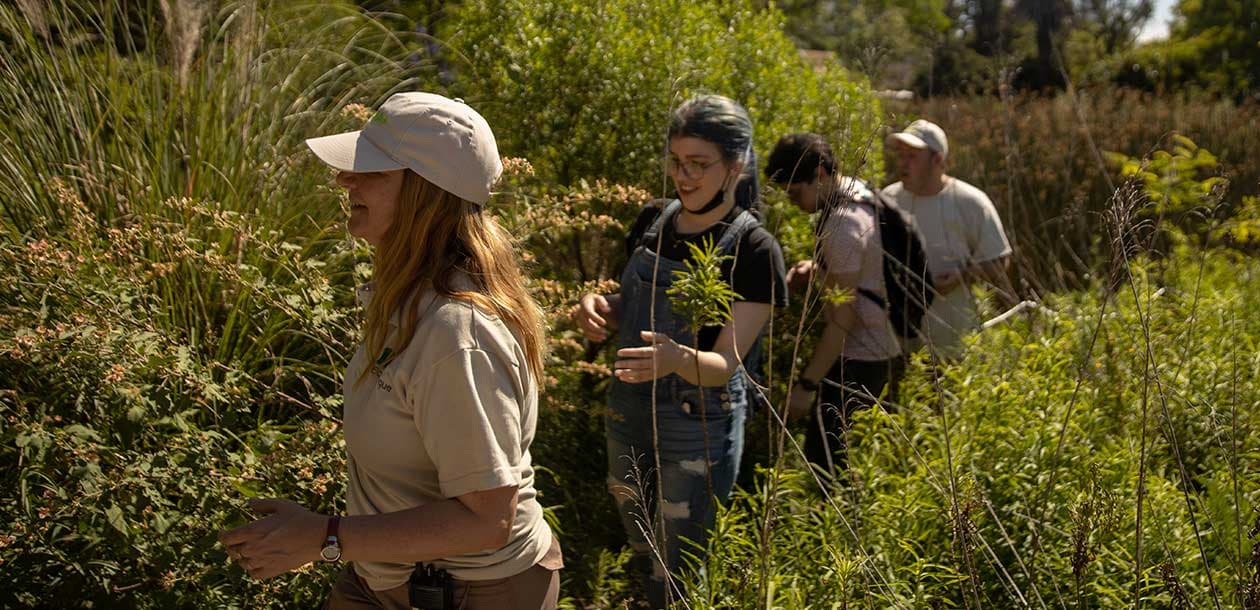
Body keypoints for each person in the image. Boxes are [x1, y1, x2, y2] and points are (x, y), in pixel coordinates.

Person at [218, 92, 563, 609]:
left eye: (371, 171)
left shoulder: (456, 334)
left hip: (469, 593)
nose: (344, 181)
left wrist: (324, 537)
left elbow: (489, 519)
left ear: (427, 193)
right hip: (388, 577)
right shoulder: (405, 299)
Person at [573, 95, 787, 608]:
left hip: (697, 423)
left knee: (680, 566)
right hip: (626, 412)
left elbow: (722, 367)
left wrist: (676, 359)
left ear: (735, 165)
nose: (683, 176)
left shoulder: (755, 250)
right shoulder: (655, 219)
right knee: (641, 543)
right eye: (675, 161)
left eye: (698, 164)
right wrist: (599, 307)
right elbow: (634, 302)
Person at [765, 132, 902, 477]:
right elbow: (867, 266)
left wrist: (805, 387)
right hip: (887, 346)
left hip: (859, 361)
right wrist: (817, 271)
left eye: (796, 191)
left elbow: (842, 322)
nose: (792, 202)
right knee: (868, 460)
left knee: (831, 469)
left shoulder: (840, 228)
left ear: (821, 173)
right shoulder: (858, 192)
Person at [883, 119, 1013, 360]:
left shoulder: (970, 202)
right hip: (897, 342)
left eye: (912, 156)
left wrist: (960, 278)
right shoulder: (888, 200)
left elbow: (999, 261)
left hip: (956, 340)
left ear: (938, 160)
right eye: (901, 155)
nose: (903, 163)